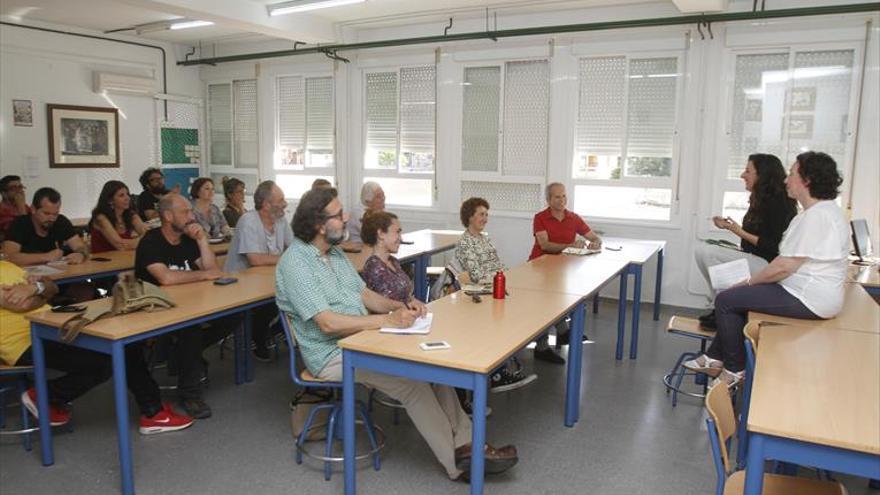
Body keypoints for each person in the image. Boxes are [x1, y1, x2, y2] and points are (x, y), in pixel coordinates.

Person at [275, 187, 518, 481]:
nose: (347, 217)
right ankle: (457, 465)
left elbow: (364, 294)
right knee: (411, 385)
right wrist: (386, 320)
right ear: (318, 223)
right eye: (339, 215)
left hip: (362, 340)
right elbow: (327, 323)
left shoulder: (335, 254)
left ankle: (470, 444)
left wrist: (400, 305)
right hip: (331, 354)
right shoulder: (296, 263)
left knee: (436, 367)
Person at [685, 152, 849, 387]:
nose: (786, 180)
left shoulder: (816, 217)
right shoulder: (823, 212)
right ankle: (714, 357)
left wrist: (749, 282)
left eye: (791, 174)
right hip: (809, 293)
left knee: (726, 300)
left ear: (807, 180)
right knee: (736, 300)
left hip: (808, 297)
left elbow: (784, 266)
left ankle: (734, 369)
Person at [0, 260, 192, 434]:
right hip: (23, 343)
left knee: (126, 341)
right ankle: (45, 395)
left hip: (53, 326)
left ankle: (153, 411)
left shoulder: (8, 267)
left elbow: (53, 288)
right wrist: (36, 289)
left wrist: (37, 287)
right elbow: (21, 305)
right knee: (106, 361)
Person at [134, 193, 237, 419]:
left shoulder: (189, 240)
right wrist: (202, 276)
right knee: (190, 330)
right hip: (154, 310)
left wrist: (202, 240)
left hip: (187, 304)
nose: (191, 217)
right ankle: (190, 395)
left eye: (191, 211)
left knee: (233, 316)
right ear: (168, 216)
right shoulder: (151, 241)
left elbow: (213, 270)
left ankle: (176, 353)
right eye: (185, 212)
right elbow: (166, 278)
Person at [694, 154, 797, 329]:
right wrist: (731, 227)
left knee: (708, 253)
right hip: (755, 258)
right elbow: (758, 234)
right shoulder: (760, 199)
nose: (742, 175)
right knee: (702, 250)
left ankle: (719, 308)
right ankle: (718, 306)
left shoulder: (779, 203)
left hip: (768, 266)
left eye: (748, 171)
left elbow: (775, 246)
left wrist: (739, 231)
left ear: (762, 175)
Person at [453, 198, 537, 392]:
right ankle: (498, 373)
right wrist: (502, 277)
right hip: (478, 296)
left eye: (486, 214)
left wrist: (508, 276)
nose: (485, 218)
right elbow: (476, 275)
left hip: (492, 288)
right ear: (469, 217)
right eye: (481, 214)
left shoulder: (484, 238)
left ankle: (502, 366)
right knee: (505, 321)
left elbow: (497, 265)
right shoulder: (466, 243)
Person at [528, 182, 601, 364]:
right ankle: (543, 346)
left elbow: (593, 236)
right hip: (539, 267)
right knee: (545, 305)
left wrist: (595, 242)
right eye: (557, 197)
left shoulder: (573, 217)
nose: (562, 200)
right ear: (548, 199)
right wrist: (570, 245)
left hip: (563, 269)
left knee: (562, 299)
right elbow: (545, 245)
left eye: (564, 196)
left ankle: (562, 332)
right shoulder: (540, 218)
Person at [224, 180, 293, 360]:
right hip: (240, 282)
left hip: (268, 278)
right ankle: (258, 336)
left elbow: (293, 248)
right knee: (274, 300)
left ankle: (273, 331)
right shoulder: (248, 221)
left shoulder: (281, 220)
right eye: (281, 199)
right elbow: (255, 260)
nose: (285, 203)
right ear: (266, 204)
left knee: (296, 293)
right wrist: (286, 258)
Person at [3, 187, 88, 267]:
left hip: (57, 274)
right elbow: (8, 257)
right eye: (46, 213)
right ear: (33, 209)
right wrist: (46, 257)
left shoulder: (61, 221)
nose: (51, 218)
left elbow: (81, 246)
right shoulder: (19, 224)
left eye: (55, 214)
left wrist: (81, 254)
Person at [89, 180, 148, 253]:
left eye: (127, 194)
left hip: (124, 258)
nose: (127, 198)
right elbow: (121, 245)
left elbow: (147, 233)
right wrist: (144, 240)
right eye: (121, 195)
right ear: (110, 200)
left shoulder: (131, 215)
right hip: (103, 261)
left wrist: (146, 238)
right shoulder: (100, 218)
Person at [0, 175, 29, 242]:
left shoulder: (26, 207)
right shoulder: (2, 211)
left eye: (20, 187)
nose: (19, 191)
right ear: (4, 193)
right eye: (14, 188)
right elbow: (24, 233)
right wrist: (22, 209)